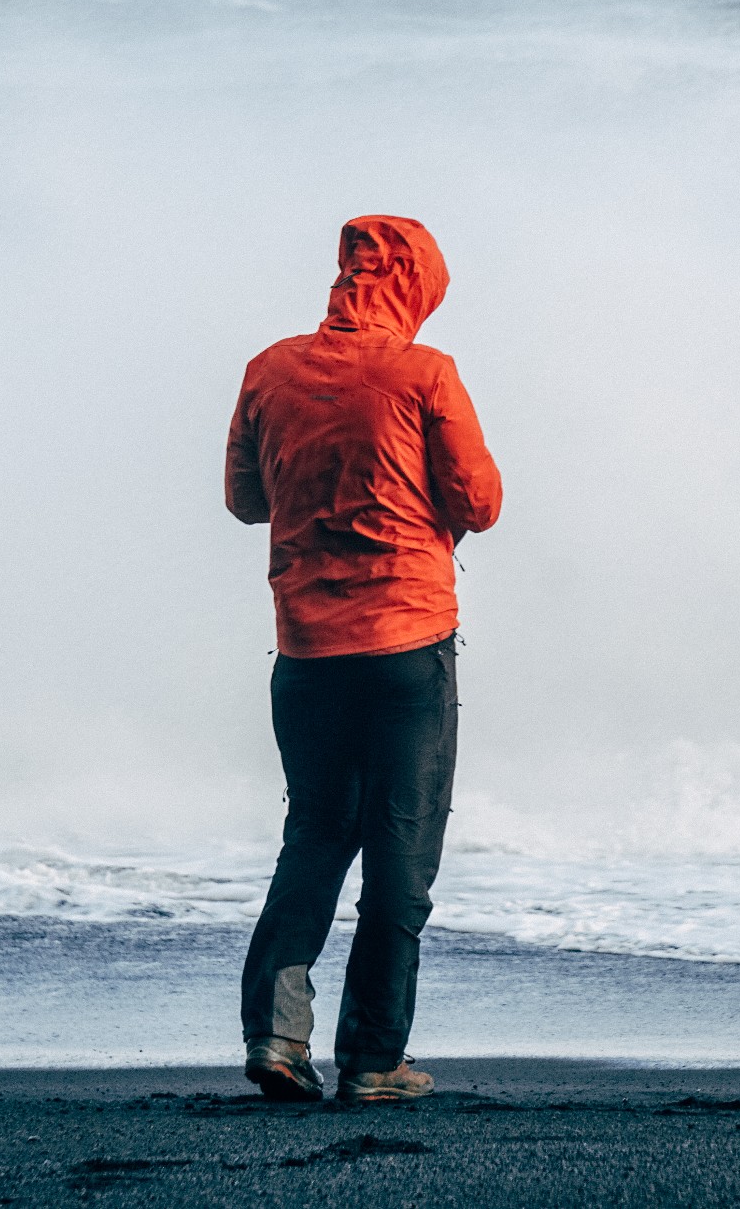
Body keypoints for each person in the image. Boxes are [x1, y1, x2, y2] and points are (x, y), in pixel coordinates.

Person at [224, 216, 502, 1104]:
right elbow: (481, 501)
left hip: (305, 650)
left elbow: (242, 499)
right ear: (414, 286)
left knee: (312, 835)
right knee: (401, 851)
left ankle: (276, 1035)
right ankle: (376, 1057)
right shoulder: (426, 374)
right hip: (407, 647)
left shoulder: (269, 369)